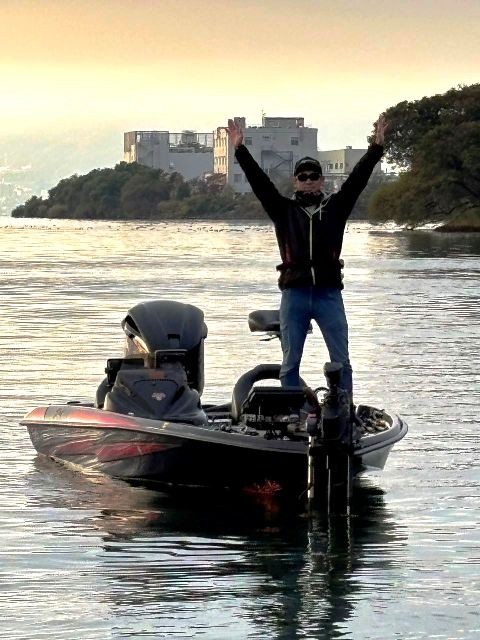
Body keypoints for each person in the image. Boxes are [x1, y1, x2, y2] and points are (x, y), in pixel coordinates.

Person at [226, 114, 388, 403]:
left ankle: (343, 411)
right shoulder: (283, 210)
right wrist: (240, 149)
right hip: (295, 294)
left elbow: (357, 180)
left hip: (328, 294)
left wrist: (376, 148)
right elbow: (260, 183)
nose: (309, 181)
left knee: (341, 360)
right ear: (296, 181)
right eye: (303, 177)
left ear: (321, 180)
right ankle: (293, 413)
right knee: (290, 363)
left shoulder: (336, 207)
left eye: (314, 176)